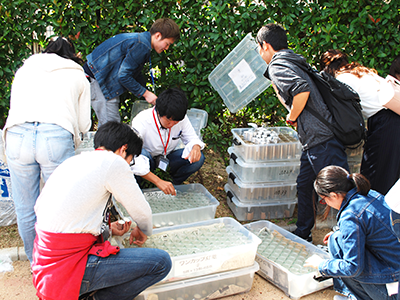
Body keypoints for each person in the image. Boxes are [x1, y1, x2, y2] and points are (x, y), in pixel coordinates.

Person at [32, 121, 172, 300]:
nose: (129, 164)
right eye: (131, 160)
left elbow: (65, 218)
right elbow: (142, 212)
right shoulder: (113, 162)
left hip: (45, 267)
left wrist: (107, 228)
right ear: (123, 149)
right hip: (70, 267)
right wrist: (144, 229)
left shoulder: (75, 161)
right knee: (161, 262)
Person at [3, 36, 91, 264]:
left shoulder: (24, 69)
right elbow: (84, 125)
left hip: (16, 135)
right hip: (55, 135)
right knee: (58, 204)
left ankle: (36, 264)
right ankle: (56, 263)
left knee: (25, 207)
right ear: (72, 54)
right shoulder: (77, 74)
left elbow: (14, 106)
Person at [257, 23, 349, 242]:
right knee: (305, 184)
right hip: (315, 139)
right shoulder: (293, 59)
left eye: (259, 48)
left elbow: (301, 90)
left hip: (322, 138)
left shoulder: (278, 65)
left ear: (266, 46)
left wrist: (292, 117)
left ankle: (346, 238)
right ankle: (303, 232)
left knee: (339, 190)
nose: (259, 53)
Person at [304, 166, 400, 300]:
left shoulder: (350, 216)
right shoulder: (368, 194)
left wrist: (321, 265)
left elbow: (352, 267)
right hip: (393, 269)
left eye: (323, 199)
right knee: (336, 239)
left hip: (392, 289)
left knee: (340, 250)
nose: (325, 203)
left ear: (334, 195)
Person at [320, 49, 400, 195]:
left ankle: (373, 216)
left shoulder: (341, 79)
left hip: (385, 123)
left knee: (374, 178)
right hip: (394, 118)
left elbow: (344, 114)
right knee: (391, 176)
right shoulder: (363, 73)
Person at [84, 18, 180, 127]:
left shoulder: (141, 40)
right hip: (99, 80)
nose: (167, 48)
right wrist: (146, 93)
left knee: (109, 127)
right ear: (158, 36)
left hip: (97, 77)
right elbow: (123, 76)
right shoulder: (142, 45)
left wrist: (145, 91)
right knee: (111, 129)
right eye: (167, 44)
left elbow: (134, 72)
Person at [131, 87, 205, 195]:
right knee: (141, 153)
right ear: (158, 111)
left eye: (176, 122)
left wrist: (196, 147)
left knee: (199, 158)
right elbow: (131, 157)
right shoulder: (142, 120)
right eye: (169, 121)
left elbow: (192, 138)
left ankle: (172, 185)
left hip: (167, 159)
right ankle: (140, 188)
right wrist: (158, 181)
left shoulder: (181, 119)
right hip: (148, 160)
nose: (172, 125)